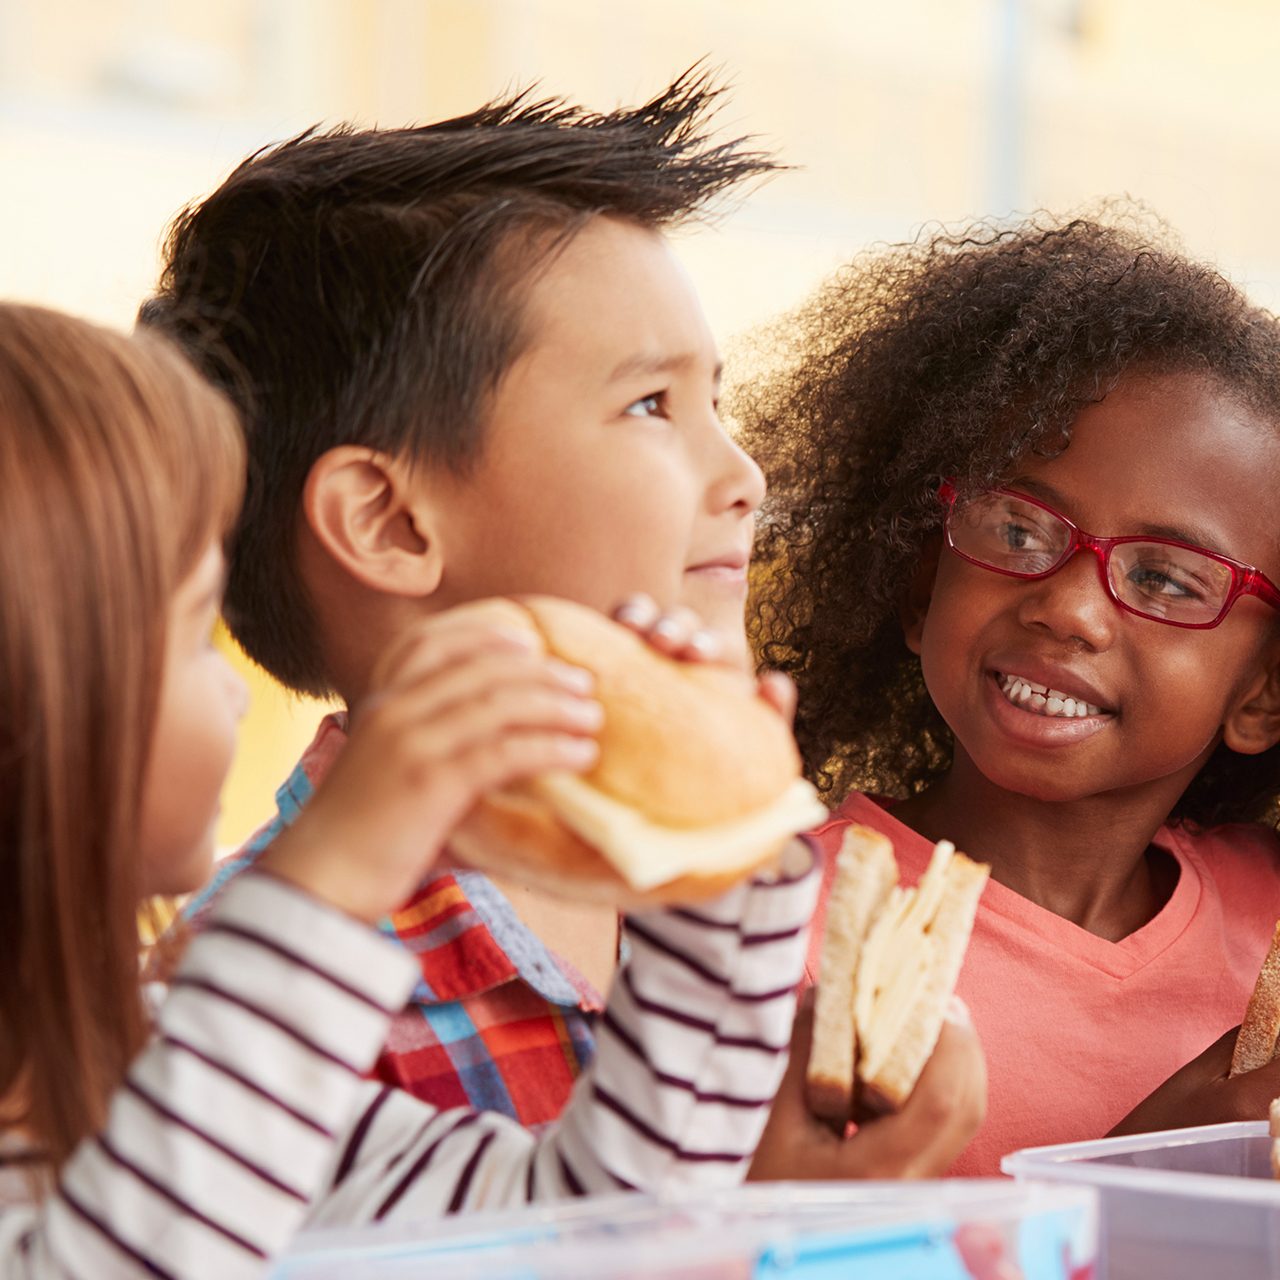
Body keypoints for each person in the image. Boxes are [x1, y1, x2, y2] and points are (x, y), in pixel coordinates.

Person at [137, 69, 987, 1179]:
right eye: (650, 404)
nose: (741, 473)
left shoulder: (751, 915)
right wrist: (762, 1212)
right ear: (392, 521)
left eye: (715, 402)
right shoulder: (249, 1026)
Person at [0, 301, 824, 1277]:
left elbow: (598, 1235)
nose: (229, 684)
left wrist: (713, 852)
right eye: (189, 628)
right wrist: (332, 873)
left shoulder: (156, 1061)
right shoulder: (230, 1052)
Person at [736, 210, 1280, 1177]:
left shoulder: (1270, 911)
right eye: (1020, 529)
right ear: (919, 588)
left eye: (1167, 579)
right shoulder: (759, 930)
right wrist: (1140, 1171)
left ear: (1263, 698)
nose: (1067, 609)